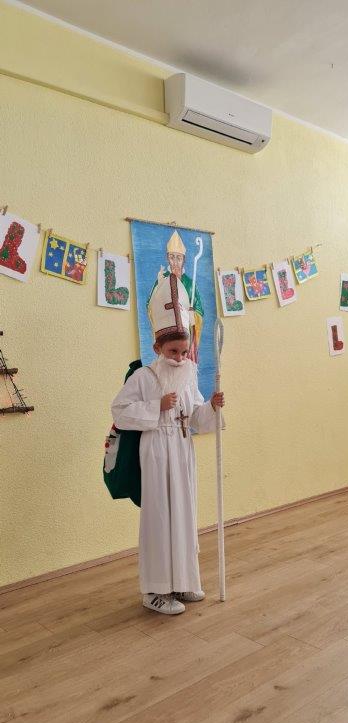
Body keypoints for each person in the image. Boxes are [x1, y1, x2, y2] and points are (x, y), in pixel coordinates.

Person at [111, 273, 225, 615]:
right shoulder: (143, 377)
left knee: (184, 514)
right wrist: (155, 407)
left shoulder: (189, 376)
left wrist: (212, 407)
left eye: (184, 350)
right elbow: (119, 411)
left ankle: (183, 581)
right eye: (172, 351)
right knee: (160, 517)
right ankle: (155, 590)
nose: (179, 357)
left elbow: (196, 417)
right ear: (157, 348)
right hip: (157, 452)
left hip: (182, 449)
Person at [146, 230, 204, 363]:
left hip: (186, 338)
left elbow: (199, 310)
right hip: (167, 337)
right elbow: (150, 306)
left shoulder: (190, 284)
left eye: (179, 258)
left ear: (184, 260)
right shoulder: (161, 280)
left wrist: (194, 316)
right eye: (172, 257)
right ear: (168, 258)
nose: (175, 262)